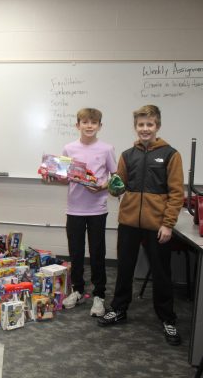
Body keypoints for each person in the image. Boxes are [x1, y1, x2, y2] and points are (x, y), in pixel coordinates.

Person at [98, 105, 184, 346]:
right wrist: (112, 186)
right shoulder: (127, 155)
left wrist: (168, 224)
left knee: (161, 273)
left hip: (157, 225)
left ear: (157, 126)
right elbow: (119, 187)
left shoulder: (170, 154)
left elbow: (176, 193)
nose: (145, 129)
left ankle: (167, 319)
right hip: (128, 222)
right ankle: (119, 308)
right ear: (135, 127)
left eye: (150, 124)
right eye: (140, 125)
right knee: (124, 268)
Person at [43, 108, 117, 317]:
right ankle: (77, 290)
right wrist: (52, 174)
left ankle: (99, 295)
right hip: (74, 208)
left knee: (97, 254)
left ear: (100, 126)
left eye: (94, 122)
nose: (89, 126)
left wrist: (102, 186)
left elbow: (116, 177)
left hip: (97, 210)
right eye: (85, 122)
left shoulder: (106, 149)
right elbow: (66, 176)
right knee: (75, 253)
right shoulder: (69, 148)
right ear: (78, 125)